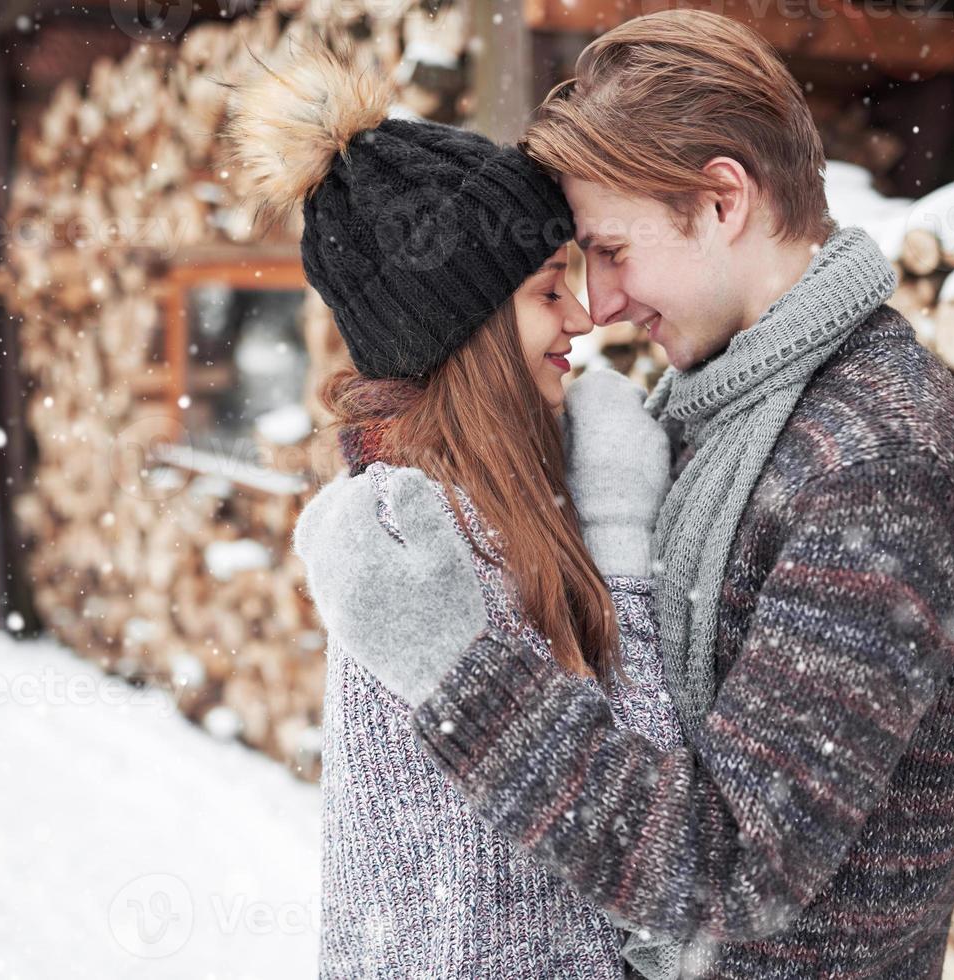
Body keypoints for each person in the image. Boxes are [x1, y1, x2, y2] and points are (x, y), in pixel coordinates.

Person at [296, 10, 954, 979]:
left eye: (610, 248)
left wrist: (463, 673)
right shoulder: (718, 397)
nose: (602, 303)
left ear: (721, 201)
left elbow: (736, 866)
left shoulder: (878, 456)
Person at [223, 47, 686, 977]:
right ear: (462, 332)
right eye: (545, 291)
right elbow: (651, 881)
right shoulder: (434, 545)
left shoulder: (442, 509)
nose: (582, 316)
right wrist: (624, 541)